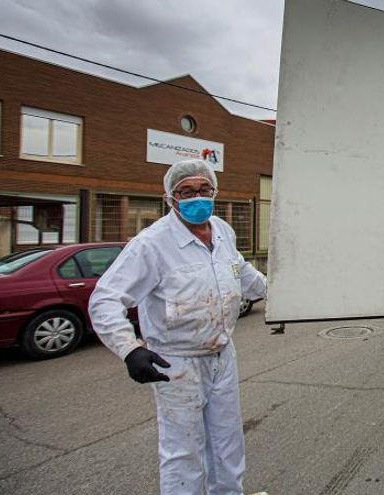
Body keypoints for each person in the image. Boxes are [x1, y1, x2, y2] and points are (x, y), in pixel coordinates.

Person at [89, 159, 268, 495]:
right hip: (176, 362)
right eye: (186, 191)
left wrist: (281, 295)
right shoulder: (151, 244)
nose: (196, 197)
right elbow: (104, 300)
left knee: (228, 440)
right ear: (171, 198)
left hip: (222, 354)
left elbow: (242, 272)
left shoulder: (223, 231)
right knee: (183, 450)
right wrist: (130, 349)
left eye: (203, 189)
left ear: (214, 190)